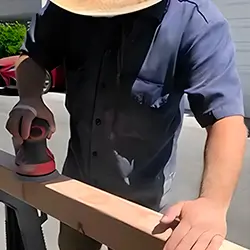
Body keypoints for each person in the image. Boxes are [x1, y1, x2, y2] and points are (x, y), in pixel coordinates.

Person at [5, 0, 247, 249]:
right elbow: (31, 56)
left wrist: (213, 203)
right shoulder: (70, 8)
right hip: (75, 187)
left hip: (143, 206)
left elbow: (225, 119)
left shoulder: (196, 22)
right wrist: (30, 98)